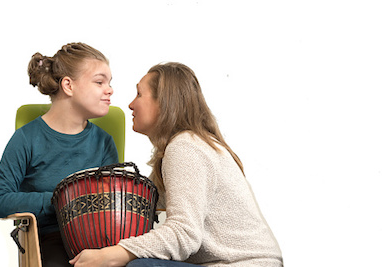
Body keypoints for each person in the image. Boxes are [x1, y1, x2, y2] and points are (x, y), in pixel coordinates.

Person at [69, 62, 283, 267]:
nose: (131, 104)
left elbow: (184, 234)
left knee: (140, 265)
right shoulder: (184, 148)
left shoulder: (186, 147)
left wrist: (113, 254)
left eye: (139, 94)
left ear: (164, 102)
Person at [0, 42, 119, 267]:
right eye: (99, 82)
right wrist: (60, 201)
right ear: (68, 85)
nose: (109, 90)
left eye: (109, 83)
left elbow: (111, 202)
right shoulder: (26, 139)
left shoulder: (104, 142)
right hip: (49, 240)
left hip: (100, 242)